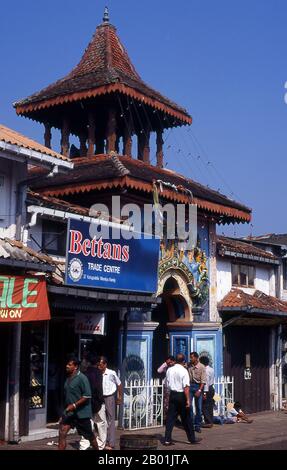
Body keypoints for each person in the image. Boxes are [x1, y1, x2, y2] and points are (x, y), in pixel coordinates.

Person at [58, 357, 98, 450]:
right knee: (62, 432)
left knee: (89, 436)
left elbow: (87, 396)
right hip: (70, 413)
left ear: (75, 367)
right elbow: (67, 396)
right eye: (67, 364)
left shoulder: (82, 378)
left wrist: (74, 405)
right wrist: (64, 412)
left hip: (81, 414)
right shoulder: (68, 378)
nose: (67, 366)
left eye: (69, 365)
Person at [163, 353, 202, 446]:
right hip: (181, 396)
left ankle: (167, 439)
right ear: (184, 361)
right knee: (186, 418)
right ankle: (192, 439)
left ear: (175, 360)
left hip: (173, 394)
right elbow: (186, 387)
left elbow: (167, 384)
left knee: (170, 418)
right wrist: (188, 400)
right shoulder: (184, 371)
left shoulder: (169, 370)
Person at [79, 355, 108, 451]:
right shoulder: (97, 373)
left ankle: (84, 445)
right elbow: (98, 389)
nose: (82, 363)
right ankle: (100, 445)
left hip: (87, 402)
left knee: (87, 424)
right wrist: (100, 400)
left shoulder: (84, 373)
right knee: (101, 424)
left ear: (87, 362)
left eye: (84, 361)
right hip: (96, 402)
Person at [97, 356, 122, 450]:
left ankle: (111, 442)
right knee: (101, 420)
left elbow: (119, 384)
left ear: (105, 365)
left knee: (111, 420)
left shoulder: (111, 373)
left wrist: (120, 397)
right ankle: (102, 441)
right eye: (98, 365)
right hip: (100, 397)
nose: (99, 366)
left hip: (109, 397)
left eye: (100, 365)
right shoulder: (98, 373)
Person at [188, 352, 206, 433]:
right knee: (190, 406)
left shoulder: (202, 367)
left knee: (198, 407)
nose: (191, 359)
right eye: (190, 357)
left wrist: (199, 390)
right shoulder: (189, 366)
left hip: (198, 387)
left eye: (192, 357)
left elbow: (203, 381)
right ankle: (191, 424)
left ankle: (197, 425)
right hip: (190, 386)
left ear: (196, 358)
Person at [157, 356, 176, 421]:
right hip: (167, 387)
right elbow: (159, 370)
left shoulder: (176, 367)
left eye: (170, 362)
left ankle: (174, 417)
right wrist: (165, 364)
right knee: (166, 403)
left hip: (175, 387)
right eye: (168, 362)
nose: (169, 364)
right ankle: (166, 417)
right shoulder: (166, 367)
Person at [199, 356, 215, 428]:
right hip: (211, 388)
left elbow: (206, 382)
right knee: (210, 406)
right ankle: (210, 421)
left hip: (207, 389)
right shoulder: (211, 369)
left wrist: (204, 393)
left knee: (204, 406)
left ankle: (208, 422)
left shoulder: (205, 370)